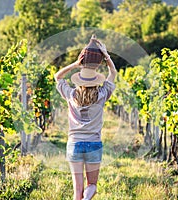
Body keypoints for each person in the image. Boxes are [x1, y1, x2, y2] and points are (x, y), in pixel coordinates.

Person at [54, 35, 117, 200]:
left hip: (74, 143)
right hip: (94, 144)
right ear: (96, 80)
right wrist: (106, 55)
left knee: (77, 191)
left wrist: (76, 64)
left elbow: (58, 77)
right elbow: (113, 73)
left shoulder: (71, 94)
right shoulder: (102, 95)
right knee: (92, 186)